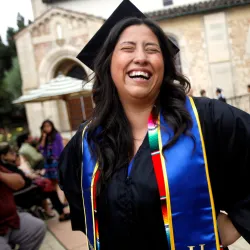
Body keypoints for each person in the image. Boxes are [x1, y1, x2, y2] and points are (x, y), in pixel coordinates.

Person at [59, 1, 250, 250]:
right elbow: (83, 208)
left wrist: (238, 221)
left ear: (164, 65)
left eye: (152, 49)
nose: (140, 57)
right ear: (108, 63)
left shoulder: (206, 119)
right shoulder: (86, 141)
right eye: (127, 48)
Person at [2, 142, 70, 222]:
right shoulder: (7, 169)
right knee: (50, 188)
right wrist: (35, 182)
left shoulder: (8, 167)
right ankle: (61, 213)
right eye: (11, 152)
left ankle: (53, 210)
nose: (14, 154)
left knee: (47, 184)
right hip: (24, 195)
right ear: (3, 156)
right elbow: (22, 183)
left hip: (25, 192)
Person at [0, 142, 46, 250]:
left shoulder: (5, 167)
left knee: (37, 228)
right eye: (11, 153)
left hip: (10, 218)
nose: (14, 155)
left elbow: (19, 181)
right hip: (23, 198)